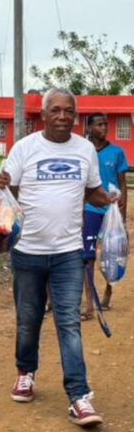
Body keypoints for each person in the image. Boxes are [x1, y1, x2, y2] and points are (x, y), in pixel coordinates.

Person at [0, 89, 115, 428]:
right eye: (56, 110)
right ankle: (25, 372)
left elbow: (91, 191)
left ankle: (79, 396)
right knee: (28, 318)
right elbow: (7, 191)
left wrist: (107, 199)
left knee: (68, 322)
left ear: (76, 116)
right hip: (27, 251)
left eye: (69, 111)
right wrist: (1, 183)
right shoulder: (25, 148)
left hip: (67, 253)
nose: (63, 116)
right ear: (44, 114)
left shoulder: (85, 149)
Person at [81, 112, 128, 317]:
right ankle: (89, 304)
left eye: (105, 125)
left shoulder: (117, 152)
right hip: (90, 210)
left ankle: (109, 289)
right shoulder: (84, 152)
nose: (104, 128)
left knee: (111, 254)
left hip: (111, 212)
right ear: (89, 128)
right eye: (99, 125)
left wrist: (122, 216)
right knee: (88, 257)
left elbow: (123, 185)